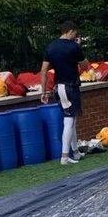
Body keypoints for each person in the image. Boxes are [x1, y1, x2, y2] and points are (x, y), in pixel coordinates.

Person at [40, 21, 90, 165]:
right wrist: (79, 46)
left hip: (57, 87)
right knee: (69, 122)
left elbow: (43, 71)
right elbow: (85, 66)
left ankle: (75, 152)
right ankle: (65, 156)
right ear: (71, 31)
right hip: (70, 87)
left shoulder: (50, 47)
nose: (76, 36)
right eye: (75, 33)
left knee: (71, 120)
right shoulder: (74, 47)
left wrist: (43, 91)